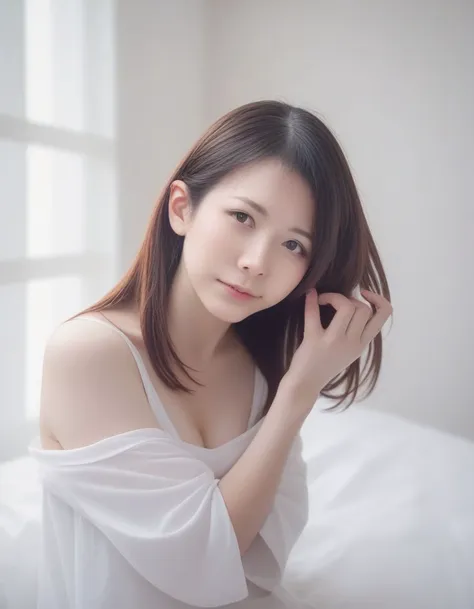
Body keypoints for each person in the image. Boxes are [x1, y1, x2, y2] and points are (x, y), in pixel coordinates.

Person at [30, 100, 393, 608]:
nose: (255, 262)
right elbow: (200, 563)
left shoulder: (264, 370)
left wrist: (294, 387)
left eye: (294, 245)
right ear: (182, 208)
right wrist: (297, 395)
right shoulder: (91, 355)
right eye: (243, 217)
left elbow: (262, 567)